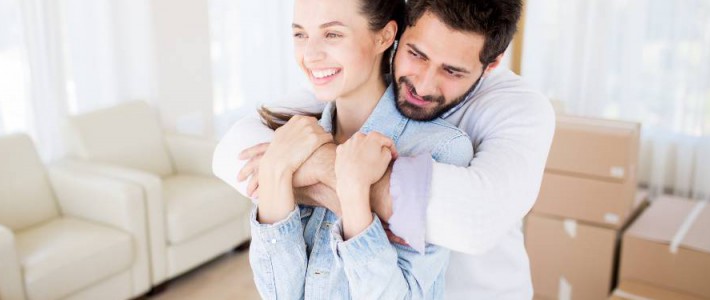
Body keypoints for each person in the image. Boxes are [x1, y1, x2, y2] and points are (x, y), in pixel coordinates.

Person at [214, 0, 556, 298]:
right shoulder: (344, 93)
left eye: (452, 71)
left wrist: (329, 177)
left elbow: (475, 223)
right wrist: (298, 167)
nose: (422, 84)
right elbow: (232, 149)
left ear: (490, 65)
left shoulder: (517, 109)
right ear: (397, 35)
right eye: (416, 54)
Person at [245, 0, 476, 298]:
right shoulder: (293, 141)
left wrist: (354, 193)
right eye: (300, 35)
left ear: (384, 36)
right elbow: (279, 294)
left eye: (332, 35)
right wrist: (276, 169)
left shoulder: (440, 149)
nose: (310, 55)